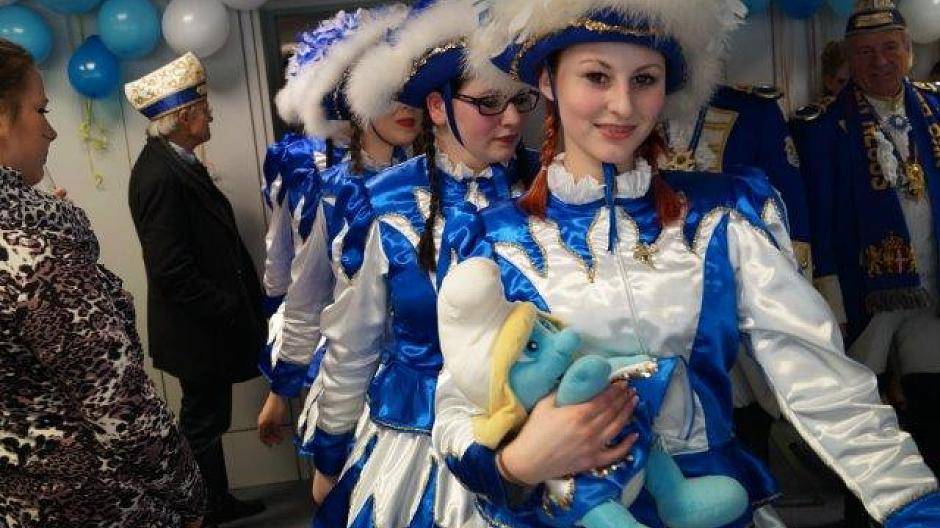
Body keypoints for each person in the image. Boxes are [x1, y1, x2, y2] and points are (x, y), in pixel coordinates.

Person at [433, 0, 940, 526]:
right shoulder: (495, 239)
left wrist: (913, 505)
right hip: (566, 508)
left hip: (708, 505)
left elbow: (825, 385)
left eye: (644, 80)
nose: (622, 106)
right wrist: (517, 463)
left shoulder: (724, 218)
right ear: (547, 81)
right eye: (596, 77)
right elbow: (456, 402)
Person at [299, 0, 539, 525]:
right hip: (415, 444)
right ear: (437, 106)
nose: (513, 118)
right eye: (490, 102)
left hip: (531, 439)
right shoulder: (383, 204)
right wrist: (331, 450)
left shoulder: (548, 195)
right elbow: (354, 344)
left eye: (520, 100)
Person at [0, 38, 204, 528]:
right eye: (40, 110)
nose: (51, 130)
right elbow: (122, 411)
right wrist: (191, 499)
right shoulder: (38, 258)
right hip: (91, 501)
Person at [256, 4, 414, 453]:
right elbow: (302, 291)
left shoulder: (440, 184)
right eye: (385, 89)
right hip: (353, 384)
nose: (405, 104)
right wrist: (282, 388)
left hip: (428, 397)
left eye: (410, 87)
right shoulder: (332, 189)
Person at [800, 0, 940, 480]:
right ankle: (865, 504)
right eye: (865, 52)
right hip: (864, 290)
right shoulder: (820, 127)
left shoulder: (935, 109)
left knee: (932, 402)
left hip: (932, 286)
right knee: (864, 409)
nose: (880, 61)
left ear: (909, 51)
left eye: (890, 48)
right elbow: (817, 217)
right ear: (849, 57)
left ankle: (928, 498)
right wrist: (828, 291)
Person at [125, 53, 265, 526]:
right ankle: (202, 511)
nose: (211, 117)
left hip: (203, 329)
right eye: (204, 110)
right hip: (197, 331)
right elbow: (171, 270)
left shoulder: (173, 163)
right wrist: (227, 307)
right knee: (203, 424)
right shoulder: (160, 175)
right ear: (183, 117)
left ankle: (213, 503)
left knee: (209, 421)